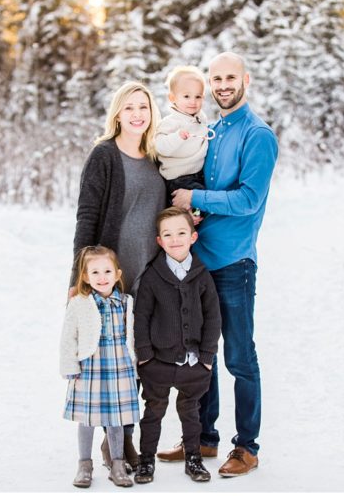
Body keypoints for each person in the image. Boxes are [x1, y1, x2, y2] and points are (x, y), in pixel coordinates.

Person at [163, 52, 278, 477]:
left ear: (245, 79)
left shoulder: (257, 135)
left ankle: (246, 447)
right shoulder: (209, 130)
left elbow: (249, 201)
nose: (222, 84)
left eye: (230, 77)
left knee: (240, 358)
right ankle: (204, 439)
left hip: (234, 263)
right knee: (200, 355)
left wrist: (196, 199)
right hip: (198, 264)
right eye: (216, 78)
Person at [69, 81, 166, 471]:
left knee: (139, 358)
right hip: (112, 278)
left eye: (143, 107)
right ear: (117, 114)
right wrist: (78, 279)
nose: (137, 114)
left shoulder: (158, 156)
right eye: (129, 108)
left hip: (151, 273)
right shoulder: (104, 156)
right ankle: (118, 445)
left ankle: (126, 436)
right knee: (111, 361)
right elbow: (86, 216)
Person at [132, 207, 221, 484]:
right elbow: (142, 316)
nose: (175, 239)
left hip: (193, 364)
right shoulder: (152, 276)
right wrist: (145, 356)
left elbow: (213, 317)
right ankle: (146, 461)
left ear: (193, 237)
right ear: (159, 240)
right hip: (157, 363)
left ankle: (193, 458)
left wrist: (207, 357)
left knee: (191, 414)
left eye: (181, 233)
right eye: (167, 234)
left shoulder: (201, 275)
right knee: (153, 413)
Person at [60, 246, 139, 488]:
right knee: (87, 419)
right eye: (95, 272)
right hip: (90, 368)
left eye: (107, 271)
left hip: (119, 367)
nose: (102, 277)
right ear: (85, 276)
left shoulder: (126, 302)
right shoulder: (79, 303)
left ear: (117, 274)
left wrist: (137, 363)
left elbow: (133, 336)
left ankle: (117, 463)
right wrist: (70, 365)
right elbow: (68, 337)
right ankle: (84, 464)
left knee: (117, 419)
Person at [154, 66, 215, 211]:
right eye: (186, 96)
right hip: (178, 177)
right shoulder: (171, 122)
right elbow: (160, 146)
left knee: (204, 197)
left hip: (197, 174)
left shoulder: (200, 119)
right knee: (197, 199)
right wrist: (177, 137)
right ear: (173, 98)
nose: (193, 102)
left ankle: (193, 218)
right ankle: (192, 216)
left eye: (198, 96)